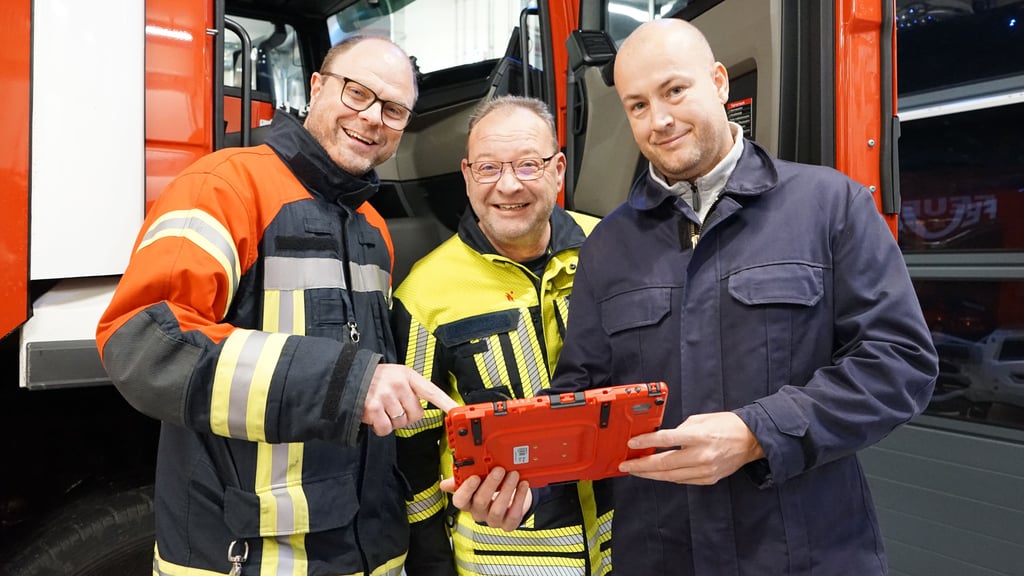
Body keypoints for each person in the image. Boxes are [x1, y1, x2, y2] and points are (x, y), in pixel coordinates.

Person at [443, 19, 938, 576]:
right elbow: (583, 396)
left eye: (675, 90)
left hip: (808, 553)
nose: (659, 120)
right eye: (637, 105)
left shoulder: (829, 205)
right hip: (660, 554)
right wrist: (526, 486)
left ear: (719, 82)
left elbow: (899, 364)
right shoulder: (608, 245)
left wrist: (757, 433)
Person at [96, 36, 457, 576]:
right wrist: (345, 385)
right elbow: (144, 342)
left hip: (371, 556)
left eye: (394, 109)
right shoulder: (223, 186)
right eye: (357, 93)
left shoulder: (373, 229)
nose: (372, 118)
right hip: (247, 557)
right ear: (317, 87)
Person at [391, 96, 608, 576]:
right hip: (506, 564)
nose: (508, 185)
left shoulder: (613, 251)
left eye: (528, 165)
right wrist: (431, 565)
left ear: (558, 169)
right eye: (489, 168)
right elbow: (412, 454)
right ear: (467, 176)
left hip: (629, 550)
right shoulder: (423, 293)